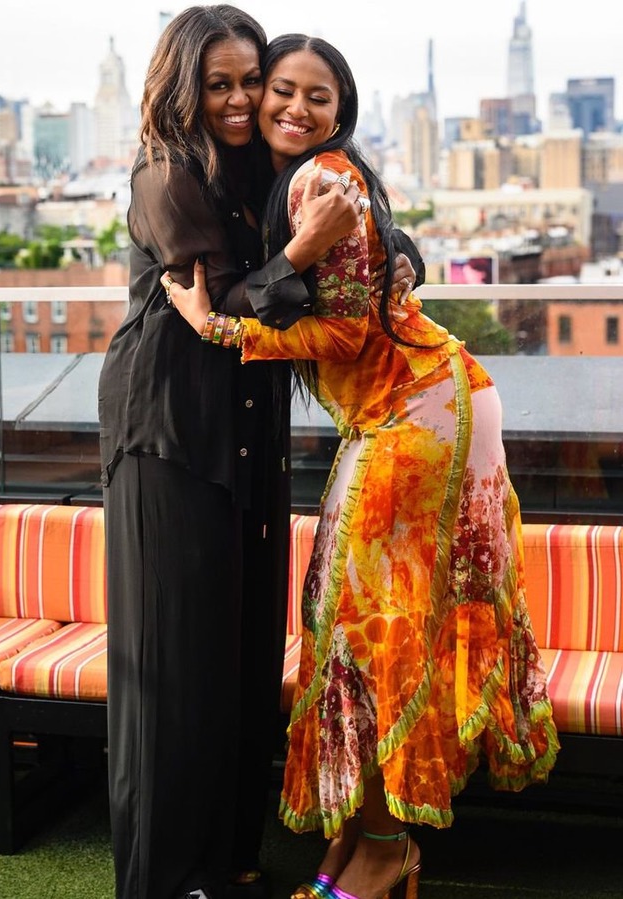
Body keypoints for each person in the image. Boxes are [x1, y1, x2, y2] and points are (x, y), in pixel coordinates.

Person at [164, 32, 561, 899]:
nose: (293, 108)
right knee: (344, 622)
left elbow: (345, 332)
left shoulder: (317, 179)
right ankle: (361, 843)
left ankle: (384, 851)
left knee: (374, 631)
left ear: (340, 110)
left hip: (418, 411)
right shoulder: (299, 182)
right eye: (280, 91)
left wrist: (219, 328)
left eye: (317, 96)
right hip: (408, 405)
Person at [97, 8, 422, 899]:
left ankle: (231, 854)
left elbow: (372, 233)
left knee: (241, 657)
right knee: (171, 667)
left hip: (248, 434)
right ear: (183, 85)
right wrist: (305, 251)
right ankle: (165, 879)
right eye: (222, 83)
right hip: (170, 430)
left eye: (252, 80)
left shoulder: (260, 167)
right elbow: (228, 300)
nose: (242, 100)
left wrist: (400, 258)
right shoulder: (165, 172)